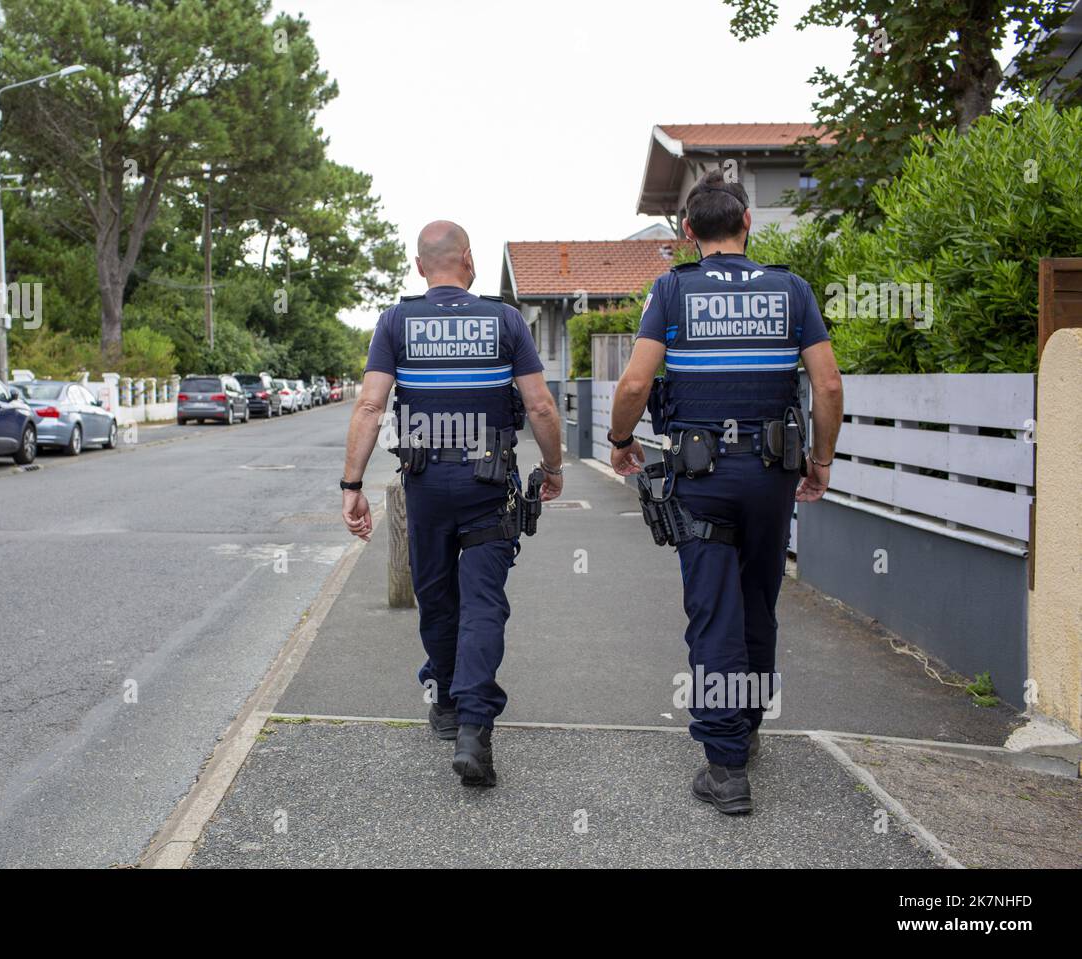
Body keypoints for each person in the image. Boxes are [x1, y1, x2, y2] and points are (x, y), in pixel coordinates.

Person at [608, 170, 844, 814]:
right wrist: (819, 461)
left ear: (687, 233)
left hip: (701, 479)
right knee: (758, 603)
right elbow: (826, 387)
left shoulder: (671, 291)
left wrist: (620, 439)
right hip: (771, 475)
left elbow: (634, 384)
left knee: (714, 610)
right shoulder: (791, 290)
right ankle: (747, 727)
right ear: (747, 225)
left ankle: (725, 765)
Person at [340, 220, 563, 787]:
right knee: (484, 602)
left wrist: (352, 485)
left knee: (435, 596)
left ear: (420, 267)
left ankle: (445, 699)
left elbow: (370, 407)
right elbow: (539, 407)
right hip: (488, 484)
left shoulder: (396, 321)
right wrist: (554, 468)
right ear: (468, 259)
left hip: (425, 484)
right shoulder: (505, 320)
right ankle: (473, 727)